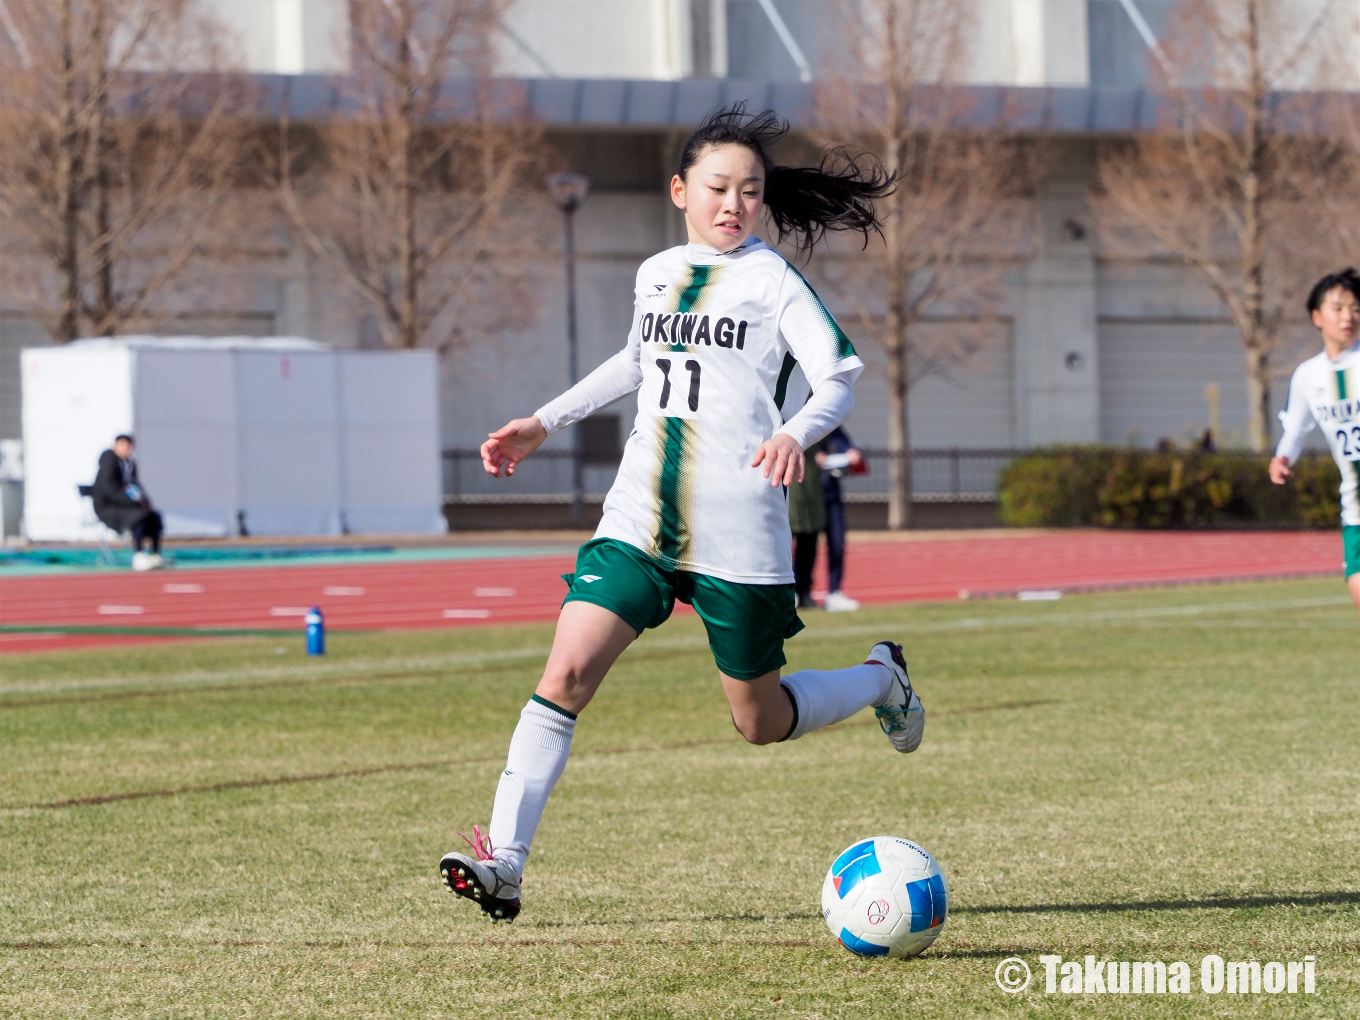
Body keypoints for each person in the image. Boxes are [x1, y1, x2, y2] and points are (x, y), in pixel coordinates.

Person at [439, 105, 923, 924]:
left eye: (750, 192)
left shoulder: (773, 281)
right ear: (680, 191)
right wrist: (541, 421)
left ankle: (882, 680)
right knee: (564, 675)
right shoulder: (656, 273)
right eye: (718, 189)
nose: (734, 204)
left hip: (740, 532)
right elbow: (634, 361)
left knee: (759, 721)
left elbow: (838, 373)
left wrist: (797, 433)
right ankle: (507, 864)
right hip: (638, 521)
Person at [1271, 267, 1360, 616]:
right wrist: (1281, 458)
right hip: (1355, 509)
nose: (1348, 316)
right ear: (1316, 316)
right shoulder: (1308, 376)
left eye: (1355, 307)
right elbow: (1295, 429)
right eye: (1338, 307)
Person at [92, 434, 164, 571]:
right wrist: (132, 502)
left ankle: (155, 554)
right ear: (116, 445)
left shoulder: (129, 464)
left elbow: (135, 486)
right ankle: (139, 555)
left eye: (129, 446)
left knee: (153, 516)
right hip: (108, 507)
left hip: (125, 506)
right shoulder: (109, 462)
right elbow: (109, 490)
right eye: (123, 445)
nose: (127, 449)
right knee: (138, 516)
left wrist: (144, 501)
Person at [815, 425, 863, 612]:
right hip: (809, 497)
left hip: (831, 495)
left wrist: (851, 454)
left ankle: (834, 592)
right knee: (804, 544)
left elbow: (848, 448)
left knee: (837, 543)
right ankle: (799, 592)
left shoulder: (832, 427)